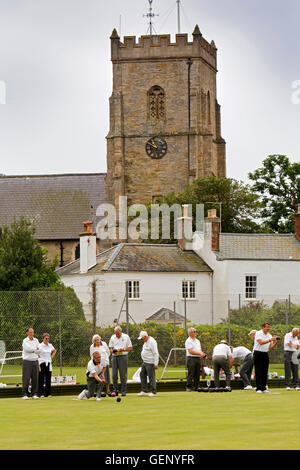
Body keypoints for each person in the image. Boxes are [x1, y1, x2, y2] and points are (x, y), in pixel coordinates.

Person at [253, 322, 280, 393]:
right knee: (258, 371)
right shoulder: (258, 333)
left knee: (265, 371)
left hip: (265, 353)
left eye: (269, 327)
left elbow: (271, 347)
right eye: (267, 327)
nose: (268, 328)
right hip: (257, 353)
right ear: (263, 327)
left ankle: (263, 388)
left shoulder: (269, 335)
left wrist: (276, 342)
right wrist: (271, 340)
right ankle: (258, 388)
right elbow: (261, 342)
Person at [109, 326, 132, 396]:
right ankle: (115, 390)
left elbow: (130, 347)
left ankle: (123, 391)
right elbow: (110, 347)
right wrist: (112, 351)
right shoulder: (112, 337)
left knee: (123, 375)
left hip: (123, 356)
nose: (117, 335)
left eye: (118, 334)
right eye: (116, 334)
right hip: (114, 357)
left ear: (121, 332)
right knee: (114, 375)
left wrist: (123, 350)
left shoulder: (126, 337)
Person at [137, 331, 159, 397]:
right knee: (142, 375)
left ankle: (153, 391)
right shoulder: (145, 341)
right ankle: (144, 391)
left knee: (151, 377)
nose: (141, 340)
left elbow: (155, 353)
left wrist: (156, 363)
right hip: (145, 362)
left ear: (145, 337)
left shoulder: (152, 342)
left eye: (142, 338)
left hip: (150, 362)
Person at [185, 327, 206, 392]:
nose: (196, 333)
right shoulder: (188, 341)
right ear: (190, 333)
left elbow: (199, 350)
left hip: (198, 358)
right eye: (194, 332)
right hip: (191, 358)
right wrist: (199, 353)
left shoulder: (197, 341)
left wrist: (202, 354)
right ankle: (188, 387)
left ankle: (197, 387)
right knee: (191, 373)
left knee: (197, 373)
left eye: (195, 331)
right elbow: (190, 351)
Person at [21, 328, 40, 399]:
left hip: (35, 361)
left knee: (35, 378)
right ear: (27, 333)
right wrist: (35, 349)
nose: (32, 333)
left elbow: (39, 350)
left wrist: (34, 350)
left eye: (33, 332)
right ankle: (24, 394)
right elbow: (27, 349)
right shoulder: (25, 340)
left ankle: (34, 394)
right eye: (30, 332)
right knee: (26, 378)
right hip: (27, 361)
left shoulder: (36, 340)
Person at [38, 333, 56, 397]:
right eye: (46, 338)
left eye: (48, 338)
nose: (47, 339)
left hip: (48, 363)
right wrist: (38, 356)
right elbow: (36, 351)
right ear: (43, 338)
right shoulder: (40, 345)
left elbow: (54, 351)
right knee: (41, 378)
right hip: (42, 362)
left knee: (48, 378)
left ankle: (48, 393)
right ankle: (41, 393)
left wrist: (51, 357)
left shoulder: (50, 345)